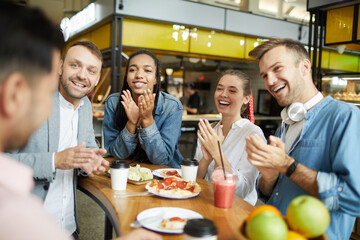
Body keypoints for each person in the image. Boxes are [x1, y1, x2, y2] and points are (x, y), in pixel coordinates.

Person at [245, 38, 360, 239]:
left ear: (304, 67)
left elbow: (355, 197)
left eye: (277, 68)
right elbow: (270, 192)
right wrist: (270, 178)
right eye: (264, 75)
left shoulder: (345, 116)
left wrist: (287, 165)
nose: (270, 81)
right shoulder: (287, 122)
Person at [7, 40, 111, 238]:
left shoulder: (85, 107)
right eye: (75, 65)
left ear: (97, 79)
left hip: (66, 228)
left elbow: (87, 147)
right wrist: (55, 161)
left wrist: (90, 160)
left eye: (91, 70)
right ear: (60, 67)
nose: (82, 75)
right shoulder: (29, 101)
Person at [194, 70, 265, 205]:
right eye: (219, 89)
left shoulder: (253, 134)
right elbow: (196, 179)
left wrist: (217, 153)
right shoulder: (210, 130)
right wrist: (206, 159)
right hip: (206, 202)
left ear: (246, 98)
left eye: (232, 91)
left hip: (236, 210)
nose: (223, 94)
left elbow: (241, 191)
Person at [103, 49, 183, 168]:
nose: (139, 75)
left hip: (165, 177)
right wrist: (132, 123)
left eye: (147, 70)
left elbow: (161, 158)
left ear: (156, 79)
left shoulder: (172, 106)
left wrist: (147, 120)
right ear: (127, 77)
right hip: (128, 173)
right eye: (132, 70)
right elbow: (117, 154)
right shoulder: (113, 103)